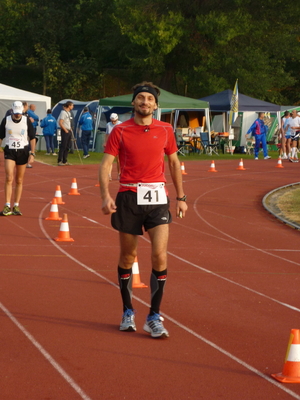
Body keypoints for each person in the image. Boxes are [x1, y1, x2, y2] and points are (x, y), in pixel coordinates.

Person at [99, 82, 188, 338]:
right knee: (128, 257)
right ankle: (128, 311)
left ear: (155, 105)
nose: (145, 102)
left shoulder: (165, 129)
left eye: (149, 98)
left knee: (160, 256)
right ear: (133, 103)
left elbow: (173, 162)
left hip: (158, 199)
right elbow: (106, 164)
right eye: (140, 98)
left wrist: (181, 197)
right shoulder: (120, 131)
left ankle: (153, 316)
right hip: (128, 197)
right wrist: (105, 195)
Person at [0, 101, 36, 216]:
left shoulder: (26, 121)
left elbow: (32, 138)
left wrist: (32, 153)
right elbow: (0, 137)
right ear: (12, 110)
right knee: (9, 177)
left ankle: (16, 205)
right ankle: (7, 205)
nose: (17, 115)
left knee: (19, 180)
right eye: (16, 113)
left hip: (23, 151)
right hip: (10, 151)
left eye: (19, 113)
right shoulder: (6, 120)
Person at [104, 113, 122, 179]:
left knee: (118, 160)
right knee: (109, 160)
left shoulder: (121, 124)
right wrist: (105, 142)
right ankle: (109, 174)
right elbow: (107, 134)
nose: (113, 122)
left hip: (118, 143)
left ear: (117, 119)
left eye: (114, 121)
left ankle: (119, 174)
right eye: (112, 121)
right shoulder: (108, 125)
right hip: (111, 143)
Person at [57, 101, 74, 166]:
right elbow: (60, 122)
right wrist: (65, 130)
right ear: (69, 106)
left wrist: (70, 128)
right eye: (72, 105)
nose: (72, 107)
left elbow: (68, 122)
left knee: (67, 146)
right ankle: (59, 160)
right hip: (65, 131)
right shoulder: (63, 113)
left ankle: (65, 160)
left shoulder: (69, 113)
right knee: (63, 145)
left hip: (69, 130)